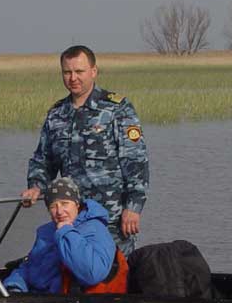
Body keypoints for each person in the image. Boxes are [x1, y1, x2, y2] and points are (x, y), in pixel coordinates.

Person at [22, 45, 149, 255]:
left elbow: (136, 161)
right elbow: (43, 159)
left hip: (112, 219)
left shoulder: (117, 108)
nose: (73, 78)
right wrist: (36, 186)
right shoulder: (57, 114)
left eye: (79, 71)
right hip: (72, 218)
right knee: (73, 270)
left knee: (117, 272)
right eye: (67, 72)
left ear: (93, 71)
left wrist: (133, 207)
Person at [5, 177, 128, 294]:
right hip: (39, 298)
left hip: (74, 302)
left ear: (77, 204)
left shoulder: (95, 229)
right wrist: (14, 286)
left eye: (65, 204)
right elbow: (30, 267)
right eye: (53, 206)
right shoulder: (46, 232)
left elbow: (91, 274)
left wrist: (66, 232)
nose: (59, 211)